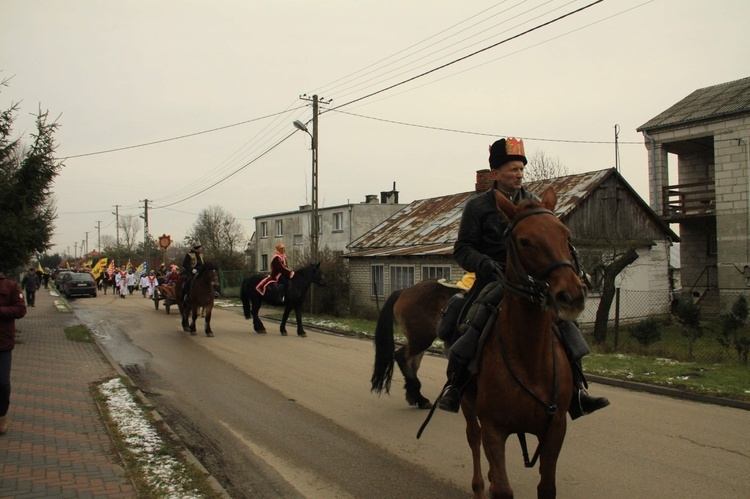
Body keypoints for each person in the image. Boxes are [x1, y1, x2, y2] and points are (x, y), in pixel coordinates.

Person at [437, 137, 610, 419]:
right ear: (495, 174)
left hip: (532, 280)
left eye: (521, 169)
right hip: (492, 278)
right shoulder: (477, 207)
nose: (518, 174)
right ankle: (456, 387)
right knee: (472, 318)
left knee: (565, 322)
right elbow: (462, 249)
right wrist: (486, 264)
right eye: (512, 169)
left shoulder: (534, 204)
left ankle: (577, 391)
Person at [0, 270, 27, 435]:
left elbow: (20, 310)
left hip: (2, 343)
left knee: (2, 382)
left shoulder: (10, 286)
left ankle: (2, 416)